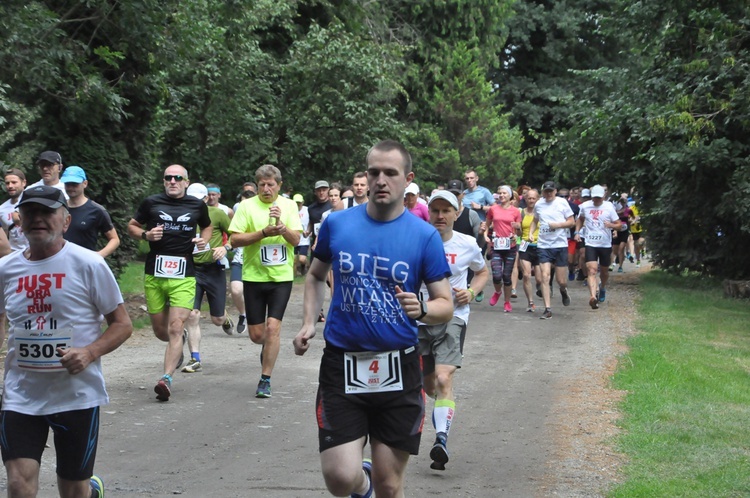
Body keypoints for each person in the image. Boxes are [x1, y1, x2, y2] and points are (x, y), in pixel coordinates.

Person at [293, 140, 453, 498]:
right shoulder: (337, 224)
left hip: (399, 368)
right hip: (342, 365)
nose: (381, 180)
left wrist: (423, 310)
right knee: (340, 478)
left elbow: (446, 303)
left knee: (390, 483)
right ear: (366, 176)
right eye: (374, 172)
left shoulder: (424, 236)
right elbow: (316, 275)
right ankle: (360, 489)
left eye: (390, 173)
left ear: (407, 179)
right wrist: (308, 322)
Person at [0, 185, 132, 498]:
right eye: (31, 212)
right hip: (20, 393)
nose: (39, 219)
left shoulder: (89, 264)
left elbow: (123, 324)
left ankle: (89, 489)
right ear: (20, 220)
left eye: (47, 212)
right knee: (19, 484)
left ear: (66, 220)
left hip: (76, 395)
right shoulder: (6, 269)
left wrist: (89, 352)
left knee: (73, 490)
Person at [127, 165, 212, 401]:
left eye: (178, 178)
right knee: (161, 332)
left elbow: (207, 226)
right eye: (168, 178)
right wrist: (145, 235)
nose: (172, 181)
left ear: (186, 182)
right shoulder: (151, 203)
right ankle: (179, 341)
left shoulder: (197, 205)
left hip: (184, 275)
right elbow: (132, 226)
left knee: (175, 326)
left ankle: (166, 379)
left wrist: (203, 241)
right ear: (164, 181)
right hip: (155, 273)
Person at [419, 191, 488, 471]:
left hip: (453, 317)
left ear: (456, 214)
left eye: (446, 210)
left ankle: (441, 440)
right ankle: (445, 405)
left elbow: (482, 273)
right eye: (435, 210)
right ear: (429, 212)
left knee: (443, 376)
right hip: (419, 319)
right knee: (429, 386)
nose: (440, 216)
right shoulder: (417, 240)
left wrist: (471, 292)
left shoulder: (468, 244)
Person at [228, 164, 302, 398]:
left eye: (271, 184)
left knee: (273, 328)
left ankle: (265, 378)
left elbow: (296, 239)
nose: (267, 189)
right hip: (254, 277)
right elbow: (235, 240)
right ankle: (267, 348)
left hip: (281, 278)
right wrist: (262, 233)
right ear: (257, 185)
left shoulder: (289, 206)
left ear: (279, 186)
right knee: (258, 335)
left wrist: (282, 229)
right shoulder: (247, 207)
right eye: (262, 185)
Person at [182, 183, 234, 373]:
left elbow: (236, 234)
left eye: (198, 201)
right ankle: (195, 358)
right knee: (192, 314)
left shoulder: (218, 214)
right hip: (191, 270)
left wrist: (225, 247)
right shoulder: (183, 215)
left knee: (217, 319)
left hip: (214, 269)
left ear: (206, 199)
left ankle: (225, 316)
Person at [528, 181, 575, 320]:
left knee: (561, 280)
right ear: (542, 192)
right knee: (545, 277)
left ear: (555, 191)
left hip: (560, 245)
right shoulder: (539, 204)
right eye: (546, 191)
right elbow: (535, 220)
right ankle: (547, 309)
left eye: (551, 191)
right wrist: (531, 232)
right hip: (543, 245)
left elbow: (571, 222)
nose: (548, 193)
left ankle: (563, 290)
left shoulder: (562, 203)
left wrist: (558, 225)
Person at [575, 185, 621, 308]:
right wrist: (577, 232)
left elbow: (619, 225)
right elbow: (580, 219)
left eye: (599, 198)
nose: (597, 200)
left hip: (605, 244)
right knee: (592, 270)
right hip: (590, 243)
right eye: (595, 197)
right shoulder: (585, 206)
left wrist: (611, 225)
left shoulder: (609, 207)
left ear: (603, 196)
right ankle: (592, 296)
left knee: (604, 272)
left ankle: (603, 287)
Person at [61, 166, 120, 257]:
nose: (70, 187)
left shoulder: (96, 210)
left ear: (85, 184)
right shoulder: (59, 208)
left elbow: (114, 239)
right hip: (61, 263)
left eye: (75, 184)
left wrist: (99, 255)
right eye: (68, 184)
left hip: (84, 264)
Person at [485, 186, 522, 312]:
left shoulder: (516, 211)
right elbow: (487, 224)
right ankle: (497, 292)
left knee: (506, 276)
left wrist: (517, 231)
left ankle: (507, 302)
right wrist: (486, 236)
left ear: (510, 195)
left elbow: (519, 231)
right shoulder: (493, 209)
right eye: (499, 193)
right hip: (496, 245)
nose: (501, 195)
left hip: (510, 246)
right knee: (496, 275)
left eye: (504, 193)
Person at [519, 188, 542, 312]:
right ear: (525, 199)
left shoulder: (542, 212)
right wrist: (517, 229)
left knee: (539, 278)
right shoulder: (521, 212)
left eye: (533, 198)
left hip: (539, 246)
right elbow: (518, 231)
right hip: (525, 245)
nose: (531, 200)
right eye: (529, 198)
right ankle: (530, 302)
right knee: (527, 275)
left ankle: (540, 287)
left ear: (537, 199)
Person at [0, 168, 29, 252]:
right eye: (7, 183)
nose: (10, 186)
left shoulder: (32, 203)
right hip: (14, 253)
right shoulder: (1, 209)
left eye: (14, 182)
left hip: (34, 252)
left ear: (24, 183)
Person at [306, 180, 331, 250]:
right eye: (319, 190)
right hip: (315, 244)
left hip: (329, 242)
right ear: (315, 192)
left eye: (324, 190)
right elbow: (311, 222)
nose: (321, 193)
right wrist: (308, 231)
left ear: (328, 191)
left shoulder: (333, 206)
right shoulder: (311, 208)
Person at [294, 193, 311, 276]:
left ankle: (304, 265)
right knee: (293, 259)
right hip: (293, 237)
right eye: (296, 202)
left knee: (301, 259)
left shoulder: (307, 210)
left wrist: (308, 231)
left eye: (299, 202)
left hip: (304, 239)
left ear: (303, 202)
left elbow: (311, 222)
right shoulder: (290, 210)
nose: (297, 204)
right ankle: (294, 275)